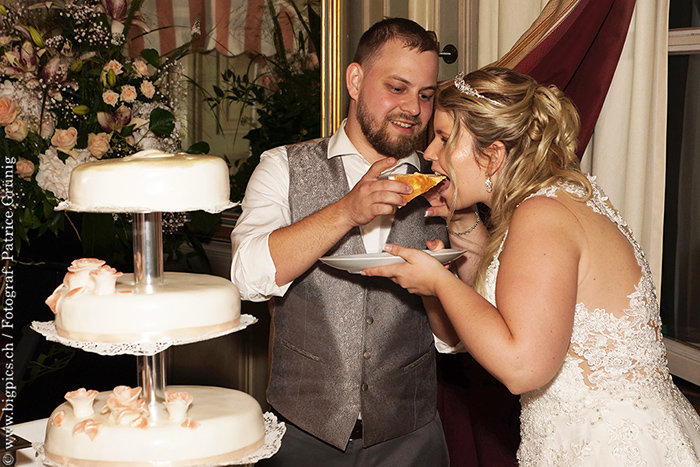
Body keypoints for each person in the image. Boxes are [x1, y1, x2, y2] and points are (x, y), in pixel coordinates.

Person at [363, 66, 700, 465]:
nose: (429, 153)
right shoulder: (551, 198)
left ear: (492, 155)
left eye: (442, 137)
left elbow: (523, 366)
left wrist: (439, 281)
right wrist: (461, 221)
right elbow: (498, 314)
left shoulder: (541, 215)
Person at [231, 18, 480, 466]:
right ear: (355, 79)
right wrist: (346, 210)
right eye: (397, 87)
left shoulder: (445, 179)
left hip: (412, 438)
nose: (413, 109)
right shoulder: (283, 167)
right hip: (301, 437)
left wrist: (460, 224)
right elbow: (247, 278)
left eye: (425, 95)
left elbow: (458, 335)